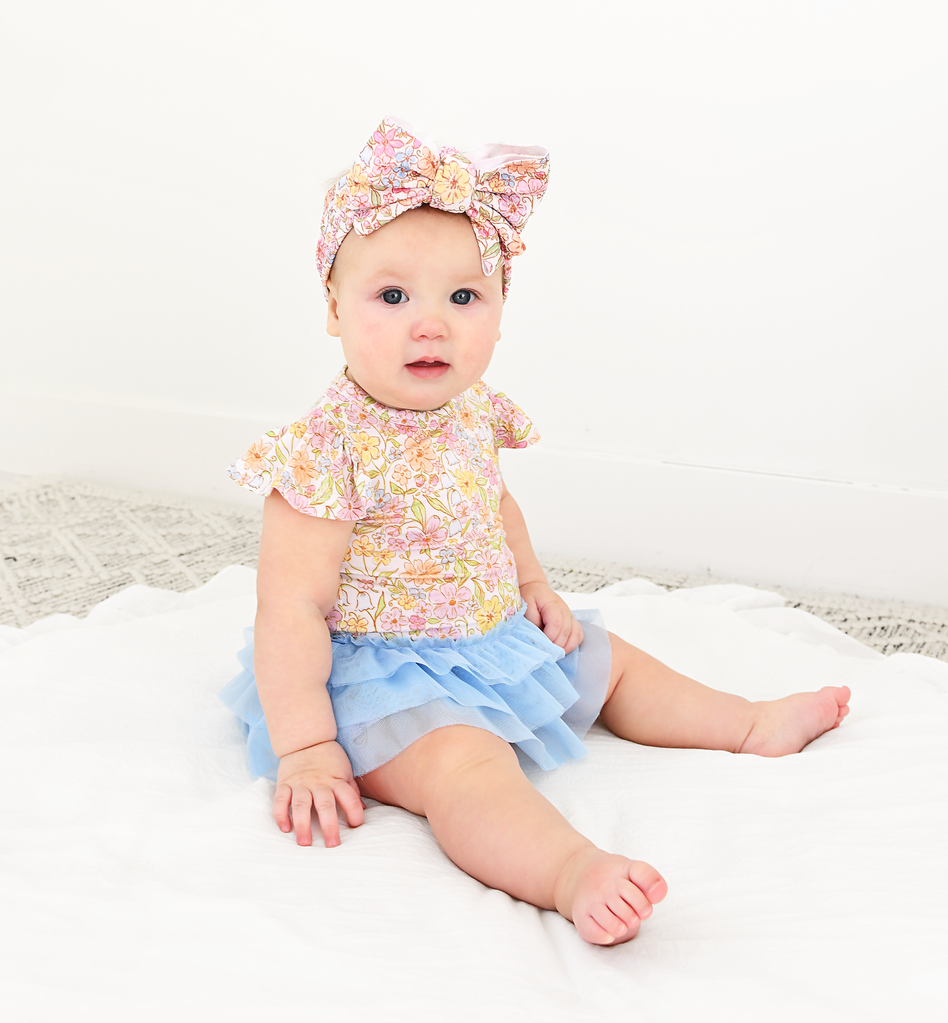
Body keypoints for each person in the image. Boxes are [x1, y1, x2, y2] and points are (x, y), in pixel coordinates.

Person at [221, 117, 851, 945]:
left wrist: (531, 586)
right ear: (334, 308)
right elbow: (289, 607)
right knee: (466, 767)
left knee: (611, 662)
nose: (431, 323)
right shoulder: (327, 450)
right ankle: (568, 870)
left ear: (500, 311)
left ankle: (746, 723)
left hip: (488, 637)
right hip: (385, 679)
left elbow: (494, 505)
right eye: (392, 296)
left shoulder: (469, 409)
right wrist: (307, 747)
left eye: (464, 297)